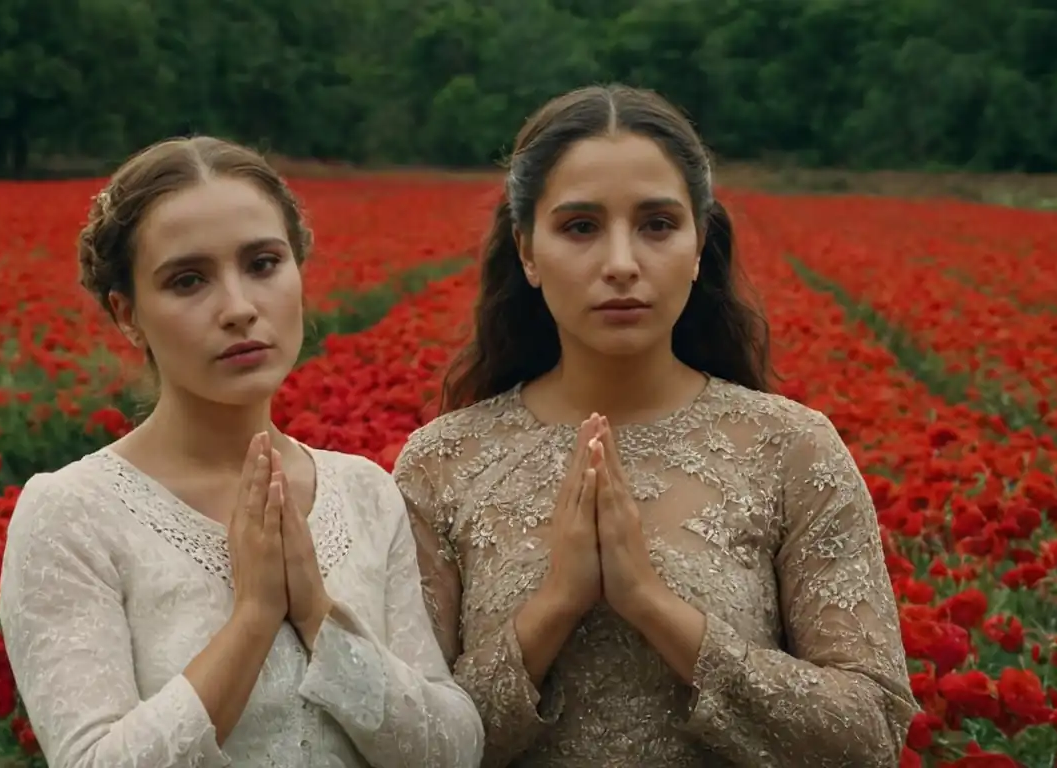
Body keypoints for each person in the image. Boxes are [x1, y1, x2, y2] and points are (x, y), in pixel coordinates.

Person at [392, 85, 918, 768]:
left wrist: (654, 608)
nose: (621, 263)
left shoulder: (792, 449)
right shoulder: (442, 463)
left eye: (657, 224)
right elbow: (405, 747)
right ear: (526, 250)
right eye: (580, 226)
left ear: (699, 244)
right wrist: (552, 609)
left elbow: (872, 733)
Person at [0, 136, 484, 768]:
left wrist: (317, 616)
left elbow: (454, 748)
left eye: (262, 264)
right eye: (188, 280)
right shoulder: (74, 516)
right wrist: (253, 619)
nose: (239, 308)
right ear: (127, 314)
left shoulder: (364, 492)